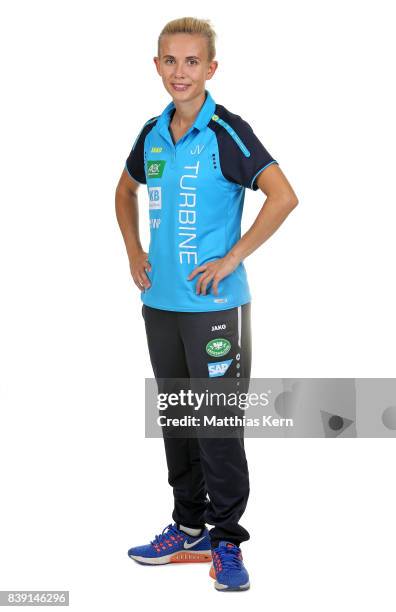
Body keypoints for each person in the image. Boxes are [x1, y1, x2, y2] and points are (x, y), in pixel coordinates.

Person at [115, 16, 298, 592]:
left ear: (210, 68)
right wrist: (133, 250)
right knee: (178, 419)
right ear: (157, 65)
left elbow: (283, 195)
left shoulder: (228, 132)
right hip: (161, 306)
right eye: (170, 60)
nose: (180, 72)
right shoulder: (151, 133)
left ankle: (226, 541)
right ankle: (188, 523)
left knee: (216, 425)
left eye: (192, 62)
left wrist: (232, 258)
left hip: (218, 311)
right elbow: (123, 191)